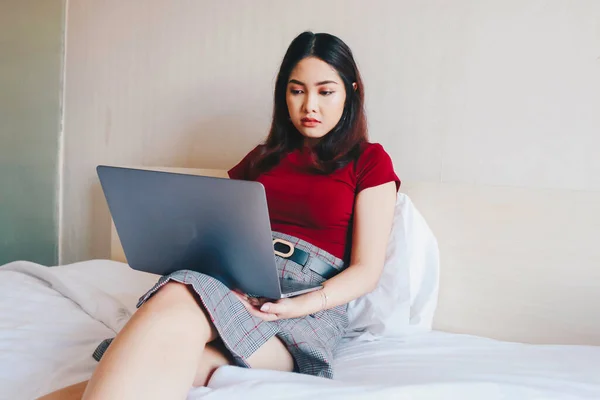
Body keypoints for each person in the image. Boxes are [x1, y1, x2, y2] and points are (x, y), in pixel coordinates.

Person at [39, 31, 400, 400]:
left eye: (325, 91)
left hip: (307, 309)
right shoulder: (261, 158)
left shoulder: (369, 161)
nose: (310, 105)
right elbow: (215, 227)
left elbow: (366, 271)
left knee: (171, 309)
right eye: (297, 90)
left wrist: (297, 306)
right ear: (283, 94)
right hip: (238, 286)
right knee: (168, 351)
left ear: (351, 90)